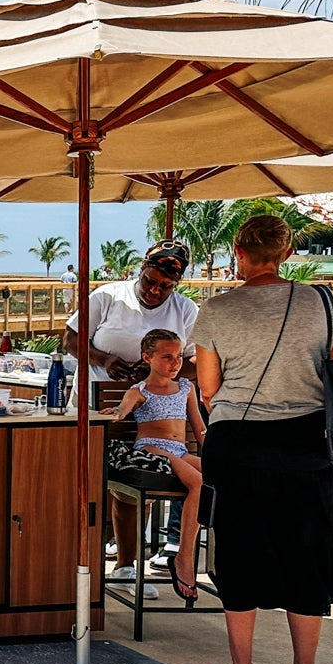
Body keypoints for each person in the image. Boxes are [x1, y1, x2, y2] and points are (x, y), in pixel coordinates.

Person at [193, 215, 333, 664]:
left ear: (238, 252)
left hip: (239, 443)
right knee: (308, 556)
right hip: (308, 443)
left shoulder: (216, 309)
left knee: (240, 554)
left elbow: (208, 388)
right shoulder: (318, 301)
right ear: (286, 254)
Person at [65, 239, 198, 585]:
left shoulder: (185, 311)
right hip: (97, 404)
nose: (155, 290)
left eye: (165, 286)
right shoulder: (109, 297)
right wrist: (104, 360)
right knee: (83, 481)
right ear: (140, 270)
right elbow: (70, 339)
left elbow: (195, 363)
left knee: (131, 485)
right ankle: (76, 554)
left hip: (150, 416)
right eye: (150, 281)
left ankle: (127, 560)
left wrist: (155, 372)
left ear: (177, 284)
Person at [110, 329, 206, 602]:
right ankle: (183, 557)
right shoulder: (139, 391)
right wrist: (115, 413)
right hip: (152, 449)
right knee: (197, 483)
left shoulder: (186, 388)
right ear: (147, 358)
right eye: (167, 357)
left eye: (177, 357)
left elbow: (199, 429)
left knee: (224, 477)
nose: (175, 363)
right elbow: (122, 410)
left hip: (179, 451)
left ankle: (227, 555)